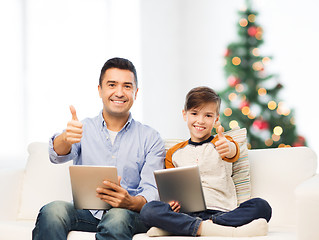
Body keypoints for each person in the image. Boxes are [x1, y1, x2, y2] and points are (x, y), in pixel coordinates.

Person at [32, 57, 166, 240]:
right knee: (52, 210)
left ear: (136, 92)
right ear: (100, 90)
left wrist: (131, 202)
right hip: (86, 212)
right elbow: (56, 155)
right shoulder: (83, 128)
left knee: (117, 217)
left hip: (128, 214)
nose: (119, 92)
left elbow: (152, 190)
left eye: (127, 86)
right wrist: (65, 138)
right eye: (112, 85)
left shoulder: (151, 138)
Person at [140, 86, 272, 237]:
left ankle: (193, 227)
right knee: (148, 210)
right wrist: (170, 204)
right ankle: (210, 229)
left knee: (262, 206)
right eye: (194, 113)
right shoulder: (173, 152)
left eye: (208, 116)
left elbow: (232, 151)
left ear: (216, 118)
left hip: (222, 213)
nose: (200, 121)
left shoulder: (223, 142)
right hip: (187, 213)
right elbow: (170, 191)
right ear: (185, 114)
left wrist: (228, 148)